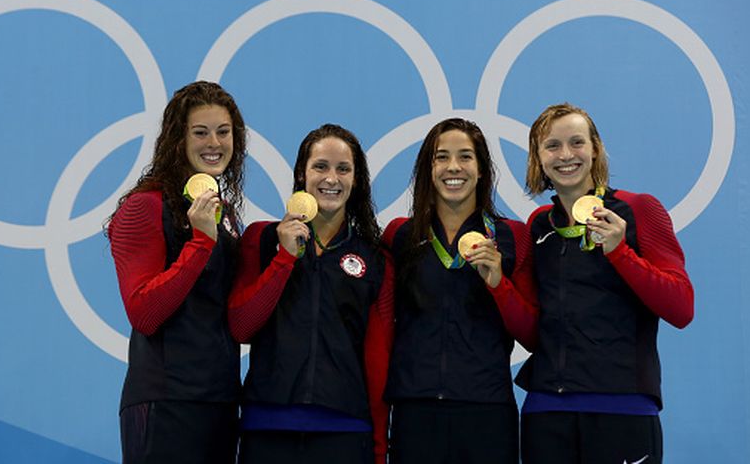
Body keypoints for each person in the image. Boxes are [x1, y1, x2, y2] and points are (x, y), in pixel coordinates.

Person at [517, 103, 694, 464]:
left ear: (595, 149)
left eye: (576, 142)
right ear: (538, 157)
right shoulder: (538, 225)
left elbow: (681, 308)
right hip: (546, 410)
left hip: (623, 407)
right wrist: (496, 285)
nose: (566, 155)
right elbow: (533, 329)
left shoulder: (637, 209)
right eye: (552, 146)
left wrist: (619, 252)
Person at [228, 124, 393, 464]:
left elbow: (378, 358)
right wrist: (284, 258)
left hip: (346, 431)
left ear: (356, 180)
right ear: (302, 174)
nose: (331, 178)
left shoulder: (375, 259)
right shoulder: (262, 240)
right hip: (267, 430)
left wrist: (379, 447)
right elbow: (241, 327)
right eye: (320, 166)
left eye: (343, 169)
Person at [381, 118, 537, 464]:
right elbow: (380, 328)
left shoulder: (512, 236)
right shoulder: (399, 235)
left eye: (465, 156)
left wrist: (499, 285)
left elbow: (532, 335)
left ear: (481, 170)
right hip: (415, 411)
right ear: (428, 169)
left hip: (486, 411)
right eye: (442, 157)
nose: (454, 167)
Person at [106, 81, 247, 464]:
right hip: (165, 401)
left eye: (223, 132)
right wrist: (200, 243)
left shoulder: (225, 215)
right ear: (177, 139)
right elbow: (144, 313)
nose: (214, 143)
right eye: (200, 132)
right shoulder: (144, 206)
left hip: (220, 400)